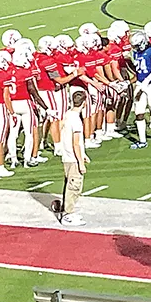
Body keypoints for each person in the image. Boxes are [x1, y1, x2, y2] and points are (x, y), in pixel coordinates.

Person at [59, 91, 89, 226]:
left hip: (67, 155)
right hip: (73, 158)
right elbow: (76, 143)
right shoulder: (76, 121)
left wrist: (83, 155)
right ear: (84, 103)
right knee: (74, 186)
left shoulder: (68, 114)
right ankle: (68, 214)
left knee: (69, 185)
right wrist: (81, 162)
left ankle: (68, 211)